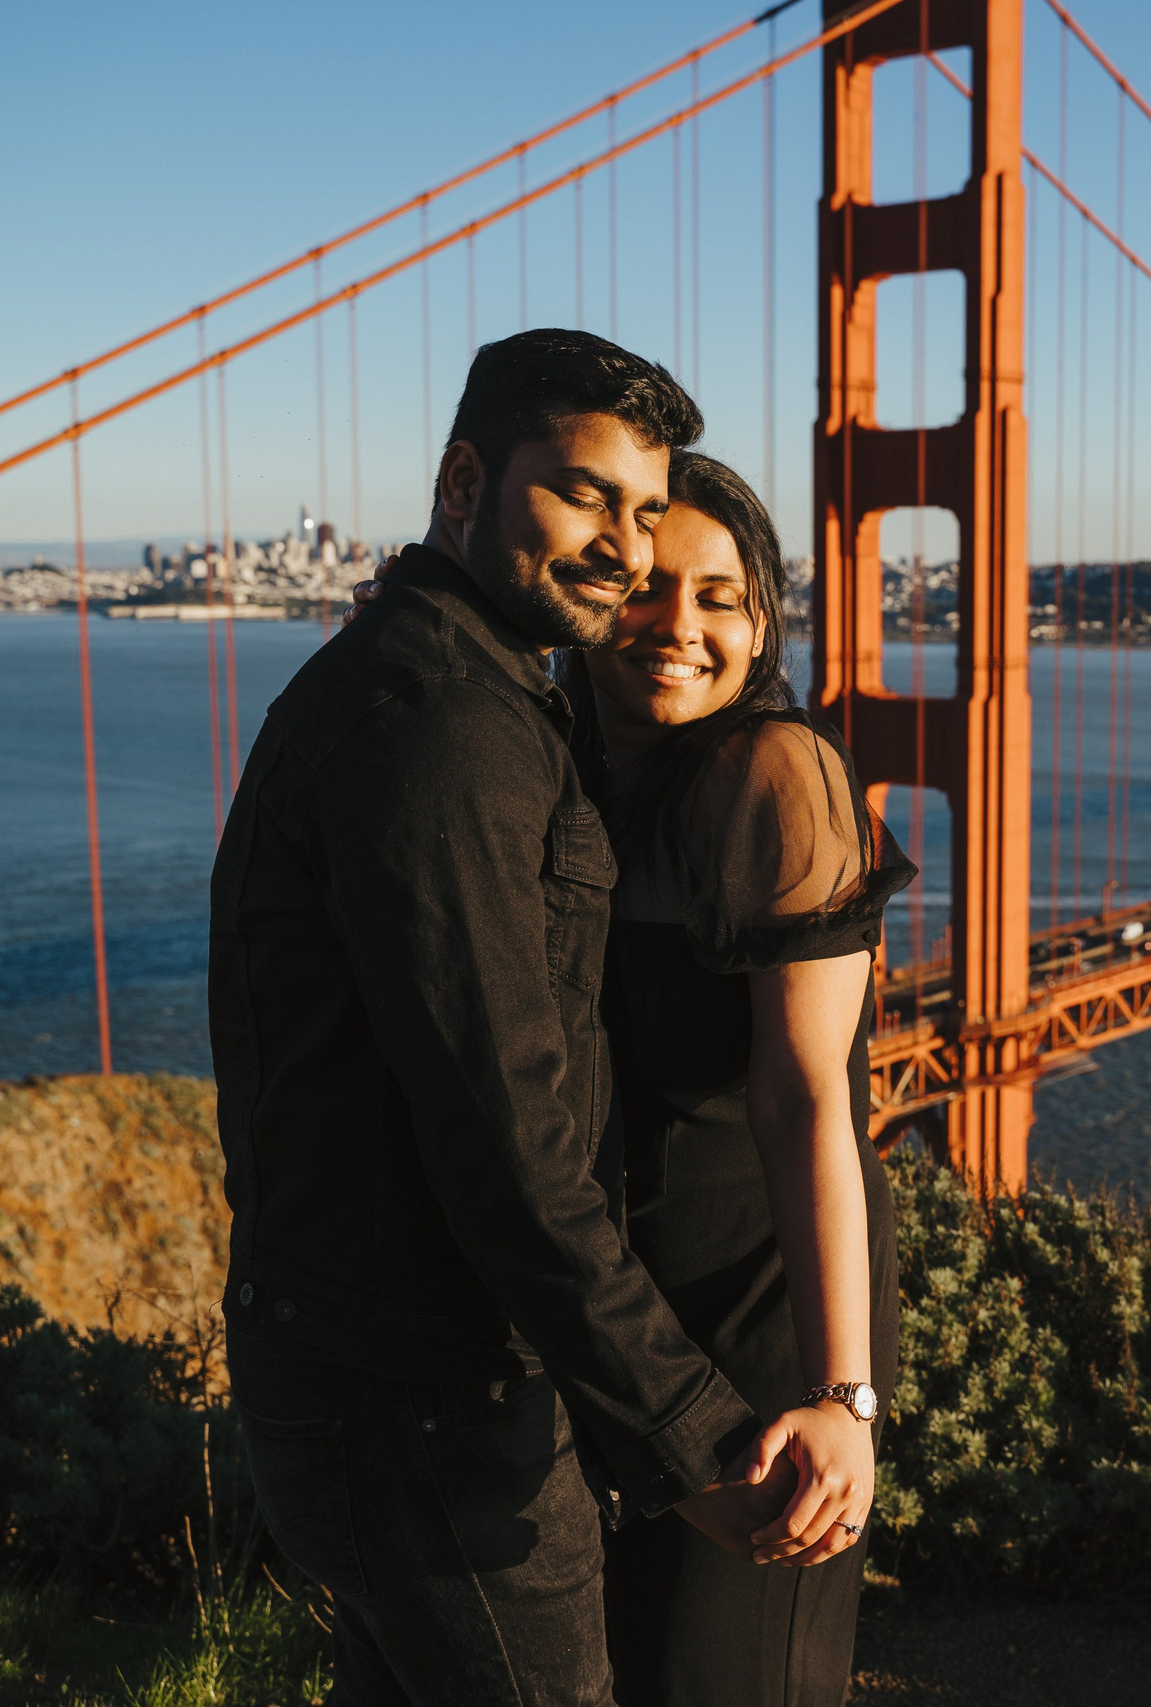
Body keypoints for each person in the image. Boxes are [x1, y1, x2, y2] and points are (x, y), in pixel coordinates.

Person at [211, 330, 822, 1707]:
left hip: (382, 1380)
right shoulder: (443, 719)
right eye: (581, 493)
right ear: (462, 479)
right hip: (433, 1407)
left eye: (644, 509)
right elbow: (507, 1133)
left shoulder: (473, 685)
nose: (620, 543)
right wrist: (695, 1436)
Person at [349, 452, 912, 1705]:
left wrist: (842, 1395)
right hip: (598, 1307)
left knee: (712, 1673)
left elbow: (808, 1096)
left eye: (724, 597)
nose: (682, 628)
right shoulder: (547, 761)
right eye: (653, 590)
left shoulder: (779, 775)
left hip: (760, 1294)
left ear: (764, 619)